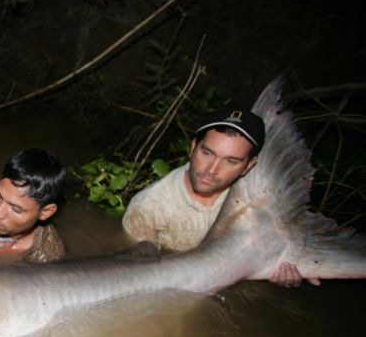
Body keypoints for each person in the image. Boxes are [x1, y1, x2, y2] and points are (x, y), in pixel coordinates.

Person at [122, 109, 318, 287]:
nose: (211, 170)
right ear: (193, 147)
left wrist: (289, 265)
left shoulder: (260, 199)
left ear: (249, 166)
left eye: (231, 161)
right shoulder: (148, 207)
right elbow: (136, 276)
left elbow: (287, 243)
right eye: (207, 153)